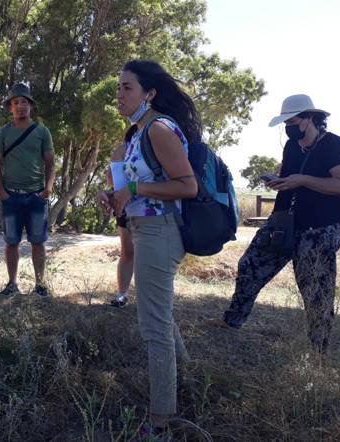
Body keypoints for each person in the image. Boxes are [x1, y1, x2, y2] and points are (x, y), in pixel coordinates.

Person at [98, 60, 199, 433]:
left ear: (149, 93)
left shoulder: (158, 129)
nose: (119, 95)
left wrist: (136, 190)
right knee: (159, 313)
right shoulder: (137, 132)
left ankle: (161, 422)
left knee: (153, 327)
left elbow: (188, 186)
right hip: (144, 228)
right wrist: (115, 195)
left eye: (127, 88)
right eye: (118, 88)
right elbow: (140, 183)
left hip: (160, 231)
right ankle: (188, 377)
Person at [216, 94, 340, 353]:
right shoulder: (292, 147)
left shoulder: (334, 145)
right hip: (283, 223)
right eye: (286, 122)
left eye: (292, 120)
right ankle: (232, 320)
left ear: (309, 119)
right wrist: (279, 180)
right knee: (250, 264)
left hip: (319, 229)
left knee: (316, 291)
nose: (288, 126)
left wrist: (302, 179)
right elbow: (291, 177)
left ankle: (319, 352)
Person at [0, 83, 55, 297]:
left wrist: (47, 189)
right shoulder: (2, 133)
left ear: (31, 106)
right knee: (11, 243)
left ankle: (40, 284)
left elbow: (51, 163)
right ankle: (11, 283)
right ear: (10, 107)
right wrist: (2, 194)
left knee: (38, 242)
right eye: (16, 102)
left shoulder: (42, 131)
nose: (20, 106)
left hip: (36, 196)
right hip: (12, 197)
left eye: (24, 102)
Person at [105, 144, 134, 307]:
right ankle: (122, 294)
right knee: (127, 251)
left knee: (142, 255)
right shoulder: (120, 150)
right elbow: (112, 180)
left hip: (150, 209)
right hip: (123, 206)